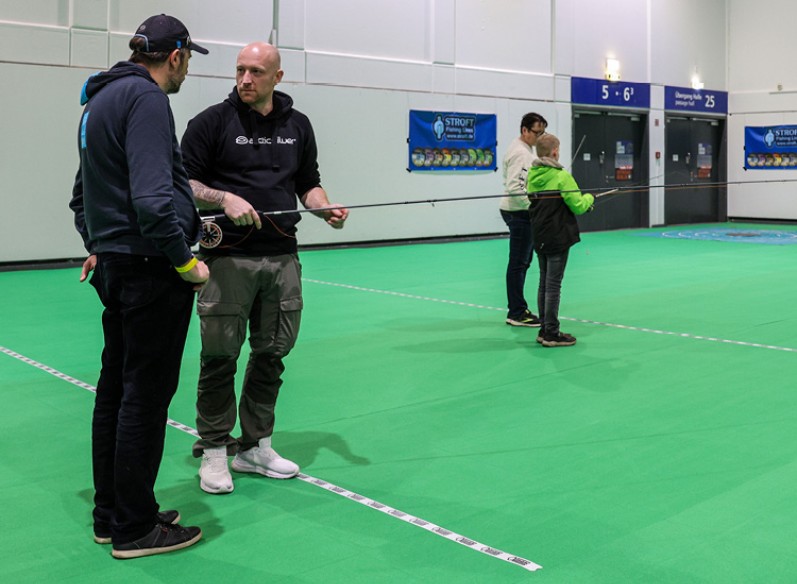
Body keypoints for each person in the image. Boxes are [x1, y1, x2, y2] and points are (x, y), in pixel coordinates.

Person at [69, 14, 209, 558]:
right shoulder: (148, 100)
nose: (187, 70)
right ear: (175, 56)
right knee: (144, 400)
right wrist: (185, 263)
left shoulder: (97, 101)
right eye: (188, 59)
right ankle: (134, 528)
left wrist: (99, 243)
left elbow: (82, 196)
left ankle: (116, 513)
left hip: (118, 267)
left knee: (117, 391)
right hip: (152, 270)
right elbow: (153, 201)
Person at [180, 42, 349, 494]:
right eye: (240, 70)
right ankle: (215, 451)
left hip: (282, 256)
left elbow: (307, 182)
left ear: (278, 76)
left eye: (256, 71)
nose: (245, 79)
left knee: (272, 354)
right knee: (219, 358)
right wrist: (223, 198)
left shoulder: (298, 126)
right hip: (226, 258)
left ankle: (256, 447)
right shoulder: (211, 122)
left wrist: (322, 206)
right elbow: (185, 183)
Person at [525, 133, 594, 347]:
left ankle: (544, 329)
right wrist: (589, 198)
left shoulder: (532, 176)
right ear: (555, 152)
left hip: (540, 236)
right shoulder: (562, 177)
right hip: (557, 236)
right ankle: (551, 333)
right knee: (553, 285)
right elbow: (578, 205)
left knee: (544, 282)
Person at [499, 112, 548, 327]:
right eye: (537, 132)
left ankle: (518, 308)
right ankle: (517, 312)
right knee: (518, 264)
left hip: (520, 212)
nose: (540, 137)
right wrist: (533, 208)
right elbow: (515, 188)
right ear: (524, 130)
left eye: (543, 133)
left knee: (522, 263)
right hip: (519, 213)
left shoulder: (524, 149)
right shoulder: (521, 153)